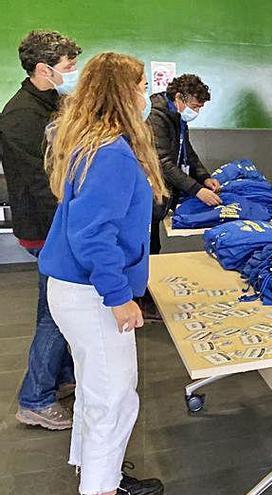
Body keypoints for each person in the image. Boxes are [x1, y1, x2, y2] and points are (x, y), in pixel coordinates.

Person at [40, 52, 166, 495]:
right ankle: (100, 488)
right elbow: (94, 236)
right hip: (92, 293)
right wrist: (119, 296)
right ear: (122, 92)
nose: (145, 94)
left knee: (97, 394)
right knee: (113, 399)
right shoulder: (111, 152)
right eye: (140, 86)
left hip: (75, 289)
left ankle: (97, 474)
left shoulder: (90, 143)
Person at [0, 30, 80, 431]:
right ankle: (34, 399)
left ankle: (61, 377)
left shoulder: (54, 103)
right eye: (67, 65)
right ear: (43, 68)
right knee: (53, 312)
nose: (73, 70)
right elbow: (38, 181)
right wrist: (72, 224)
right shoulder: (18, 117)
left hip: (58, 221)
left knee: (62, 308)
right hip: (44, 226)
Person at [147, 73, 219, 255]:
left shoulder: (177, 116)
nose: (196, 112)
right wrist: (197, 190)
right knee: (147, 247)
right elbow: (162, 162)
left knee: (154, 246)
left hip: (161, 194)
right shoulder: (155, 117)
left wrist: (204, 177)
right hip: (148, 191)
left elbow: (187, 149)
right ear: (179, 97)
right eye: (195, 107)